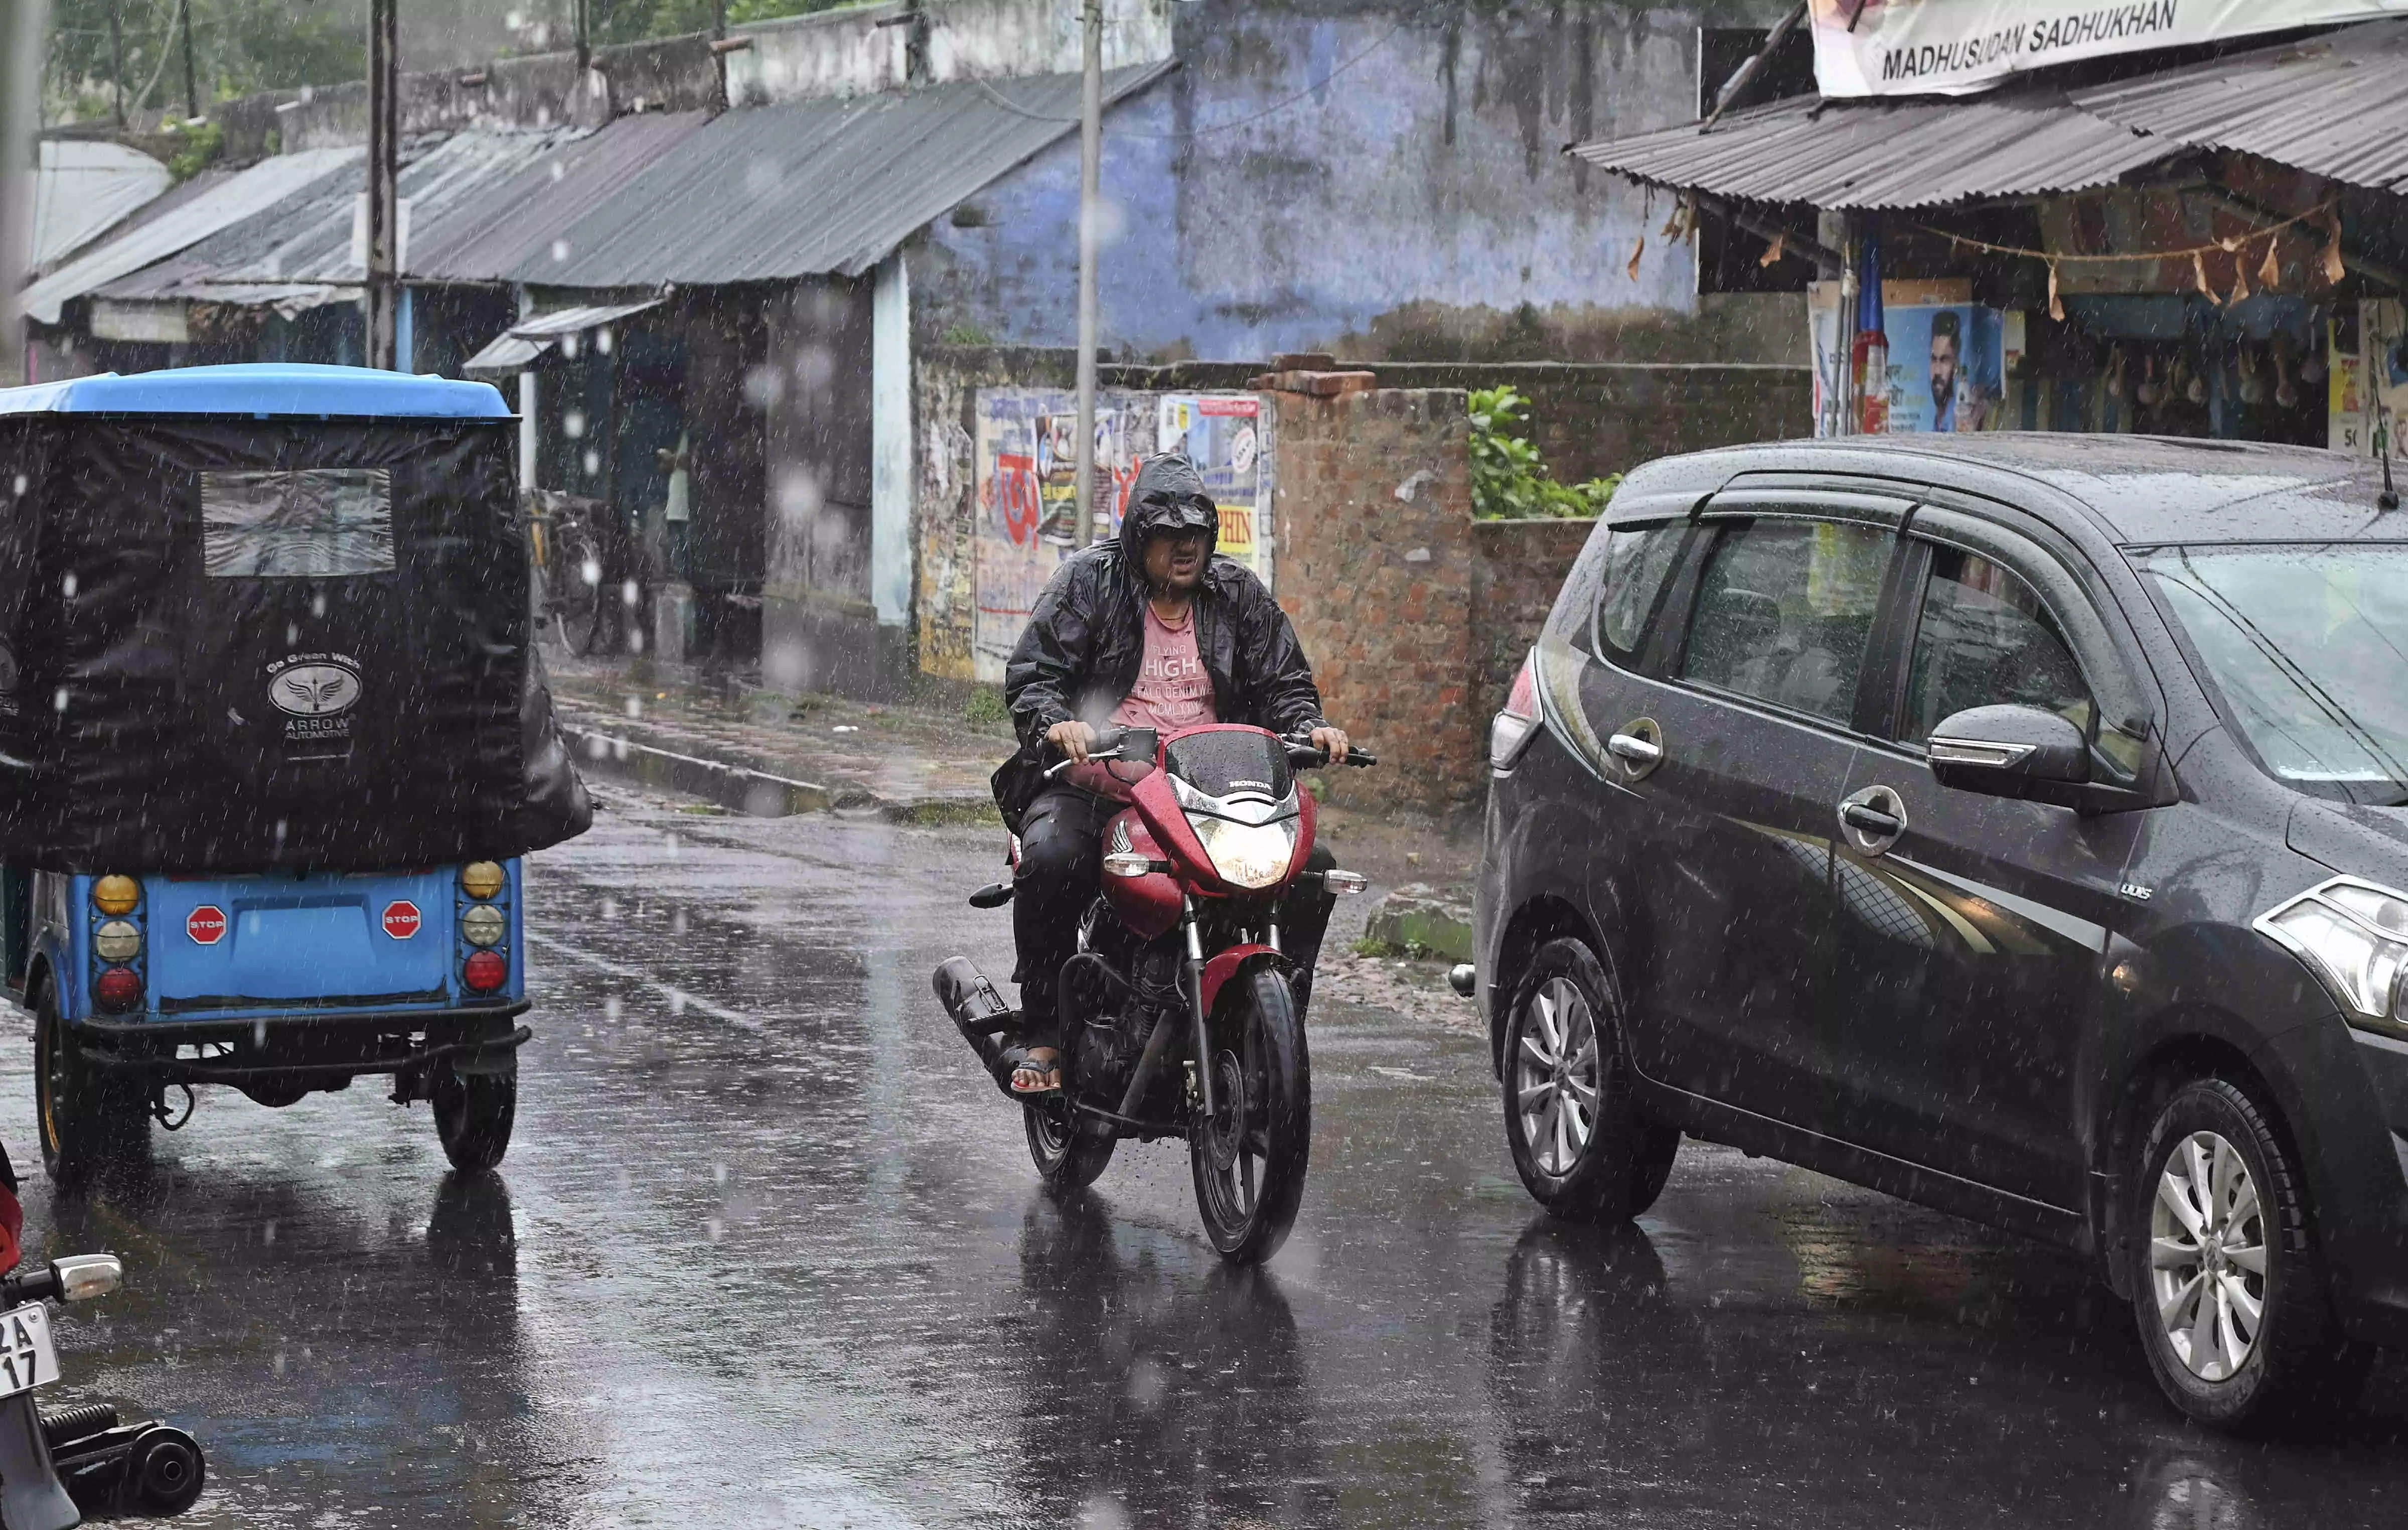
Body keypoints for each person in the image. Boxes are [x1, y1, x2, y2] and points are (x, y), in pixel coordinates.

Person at [995, 453, 1350, 1094]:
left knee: (1311, 869)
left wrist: (1310, 727)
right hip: (1103, 792)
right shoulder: (1088, 583)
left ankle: (1272, 1024)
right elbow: (1034, 675)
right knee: (1050, 858)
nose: (1187, 547)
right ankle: (1044, 1030)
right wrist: (1058, 723)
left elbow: (1286, 683)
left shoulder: (1238, 594)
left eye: (1197, 534)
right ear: (1139, 536)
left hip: (1206, 796)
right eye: (1170, 534)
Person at [1930, 310, 1961, 431]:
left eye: (1944, 360)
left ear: (1956, 365)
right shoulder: (1936, 420)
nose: (1937, 371)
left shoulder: (1961, 420)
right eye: (1934, 359)